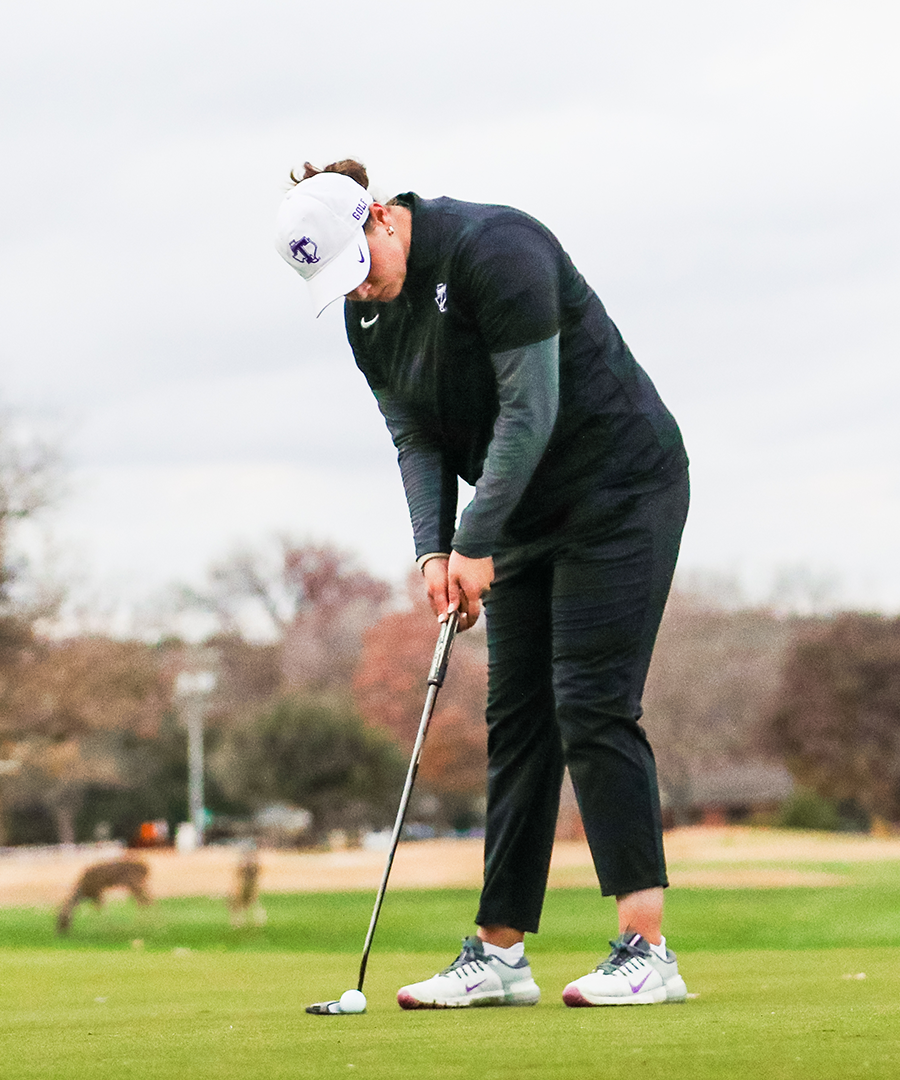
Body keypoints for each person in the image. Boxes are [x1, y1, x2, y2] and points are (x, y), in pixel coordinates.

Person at [274, 160, 691, 1008]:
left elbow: (529, 410)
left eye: (364, 268)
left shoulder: (497, 249)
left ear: (382, 219)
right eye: (343, 287)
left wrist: (475, 537)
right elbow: (415, 437)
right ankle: (500, 954)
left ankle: (647, 950)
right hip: (525, 513)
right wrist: (435, 551)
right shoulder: (367, 317)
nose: (362, 295)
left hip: (619, 488)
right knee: (517, 718)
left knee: (592, 703)